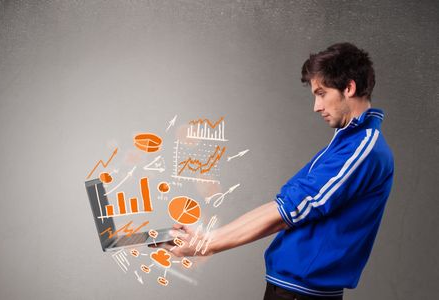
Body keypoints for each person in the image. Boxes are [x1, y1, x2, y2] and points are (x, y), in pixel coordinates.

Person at [159, 43, 394, 300]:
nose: (316, 106)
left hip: (302, 295)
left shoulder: (363, 149)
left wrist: (207, 245)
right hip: (289, 290)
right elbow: (284, 205)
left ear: (349, 88)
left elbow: (288, 212)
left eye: (321, 93)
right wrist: (206, 238)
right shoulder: (348, 141)